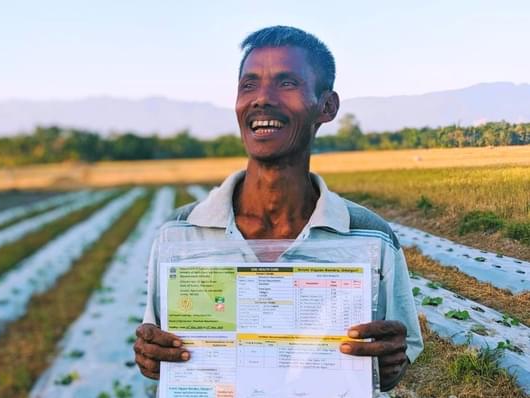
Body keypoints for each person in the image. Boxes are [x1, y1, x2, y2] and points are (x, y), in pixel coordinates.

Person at [134, 25, 423, 392]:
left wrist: (390, 363)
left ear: (327, 106)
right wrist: (153, 355)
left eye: (286, 83)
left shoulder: (370, 238)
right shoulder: (180, 235)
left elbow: (394, 364)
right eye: (249, 85)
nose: (261, 99)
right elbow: (161, 350)